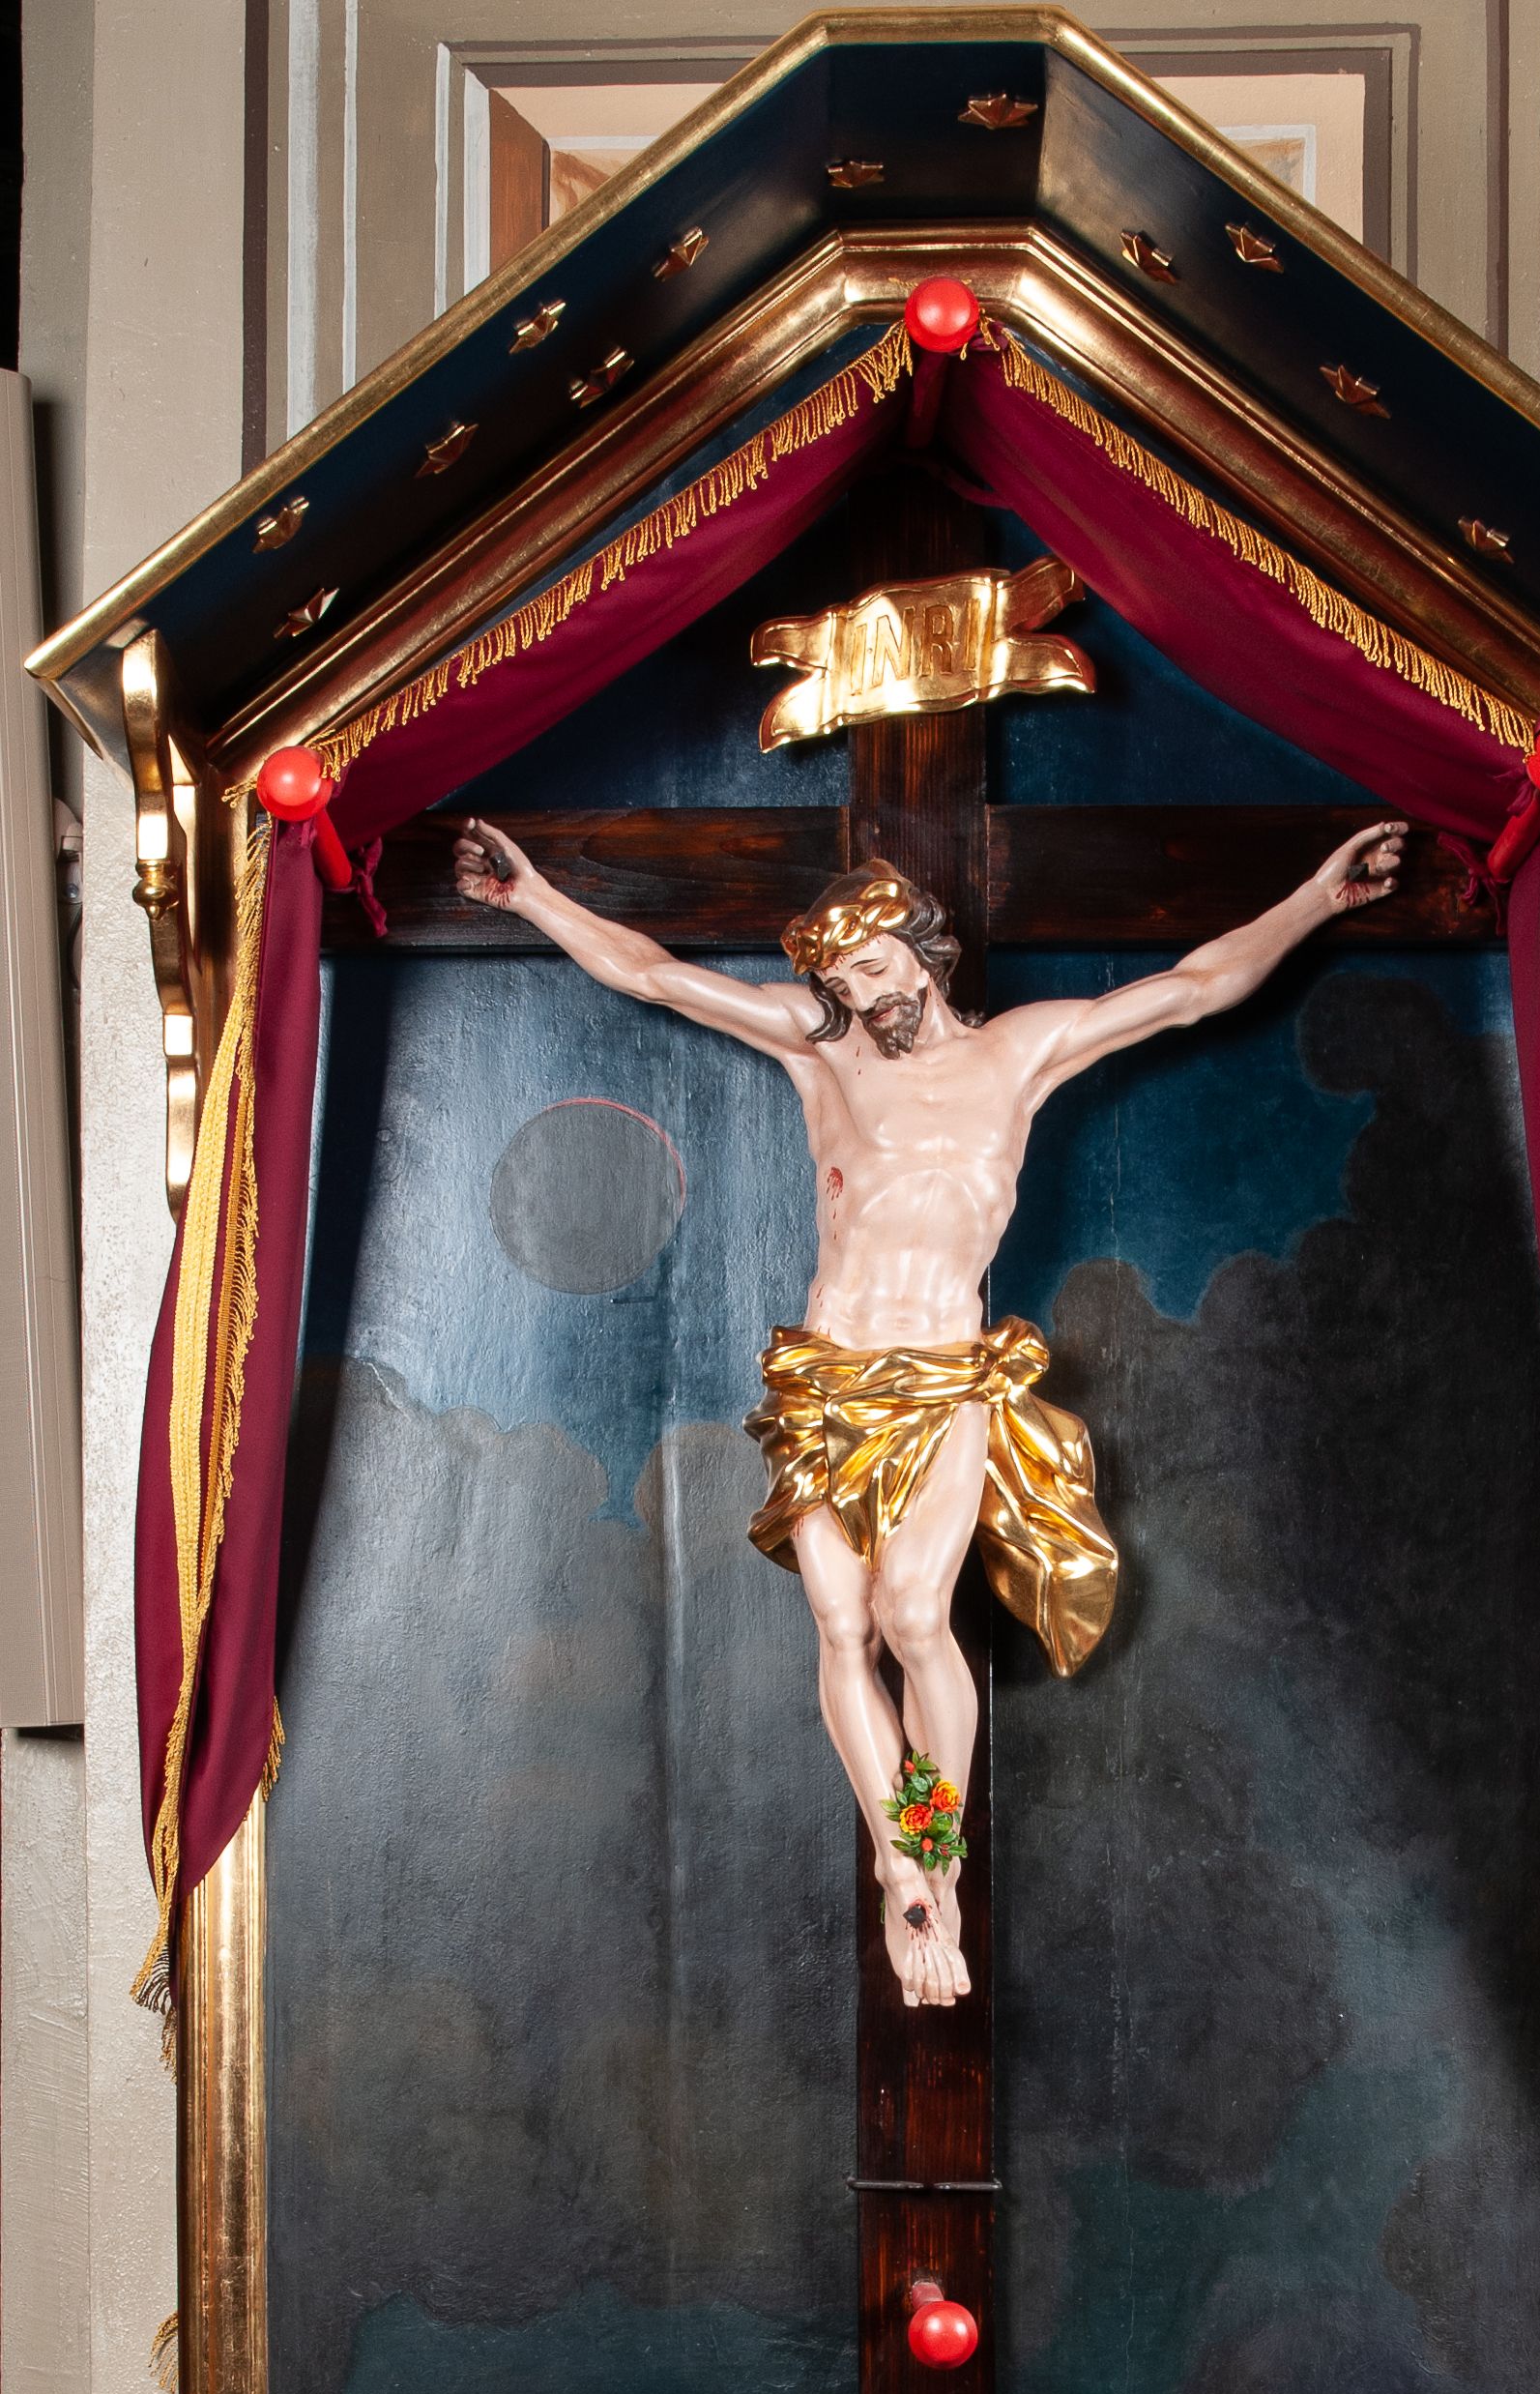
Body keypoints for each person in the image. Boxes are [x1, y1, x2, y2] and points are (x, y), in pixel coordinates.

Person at [453, 813, 1407, 2005]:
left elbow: (1193, 988)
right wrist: (533, 897)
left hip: (945, 1375)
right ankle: (901, 1866)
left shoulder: (1020, 1054)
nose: (861, 996)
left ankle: (933, 1855)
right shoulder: (823, 1052)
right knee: (842, 1623)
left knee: (914, 1613)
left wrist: (1317, 897)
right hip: (826, 1377)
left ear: (921, 949)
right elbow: (654, 975)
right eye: (841, 981)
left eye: (875, 967)